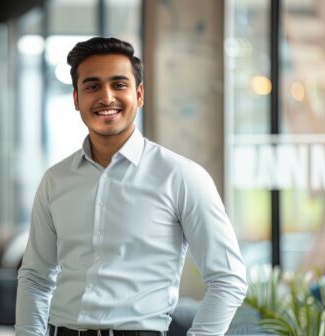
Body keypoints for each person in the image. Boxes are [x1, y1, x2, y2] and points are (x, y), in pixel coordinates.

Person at [15, 37, 248, 336]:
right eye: (92, 86)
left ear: (139, 94)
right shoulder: (55, 180)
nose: (106, 97)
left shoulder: (181, 176)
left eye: (119, 84)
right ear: (76, 98)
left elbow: (228, 279)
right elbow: (35, 277)